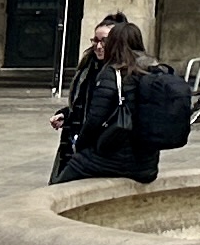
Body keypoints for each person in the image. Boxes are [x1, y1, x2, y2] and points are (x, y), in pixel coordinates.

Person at [52, 17, 165, 185]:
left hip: (115, 155)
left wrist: (81, 146)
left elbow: (96, 117)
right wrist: (68, 115)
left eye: (106, 41)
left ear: (117, 42)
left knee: (62, 186)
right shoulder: (152, 71)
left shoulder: (112, 73)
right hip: (147, 162)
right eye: (95, 40)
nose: (99, 46)